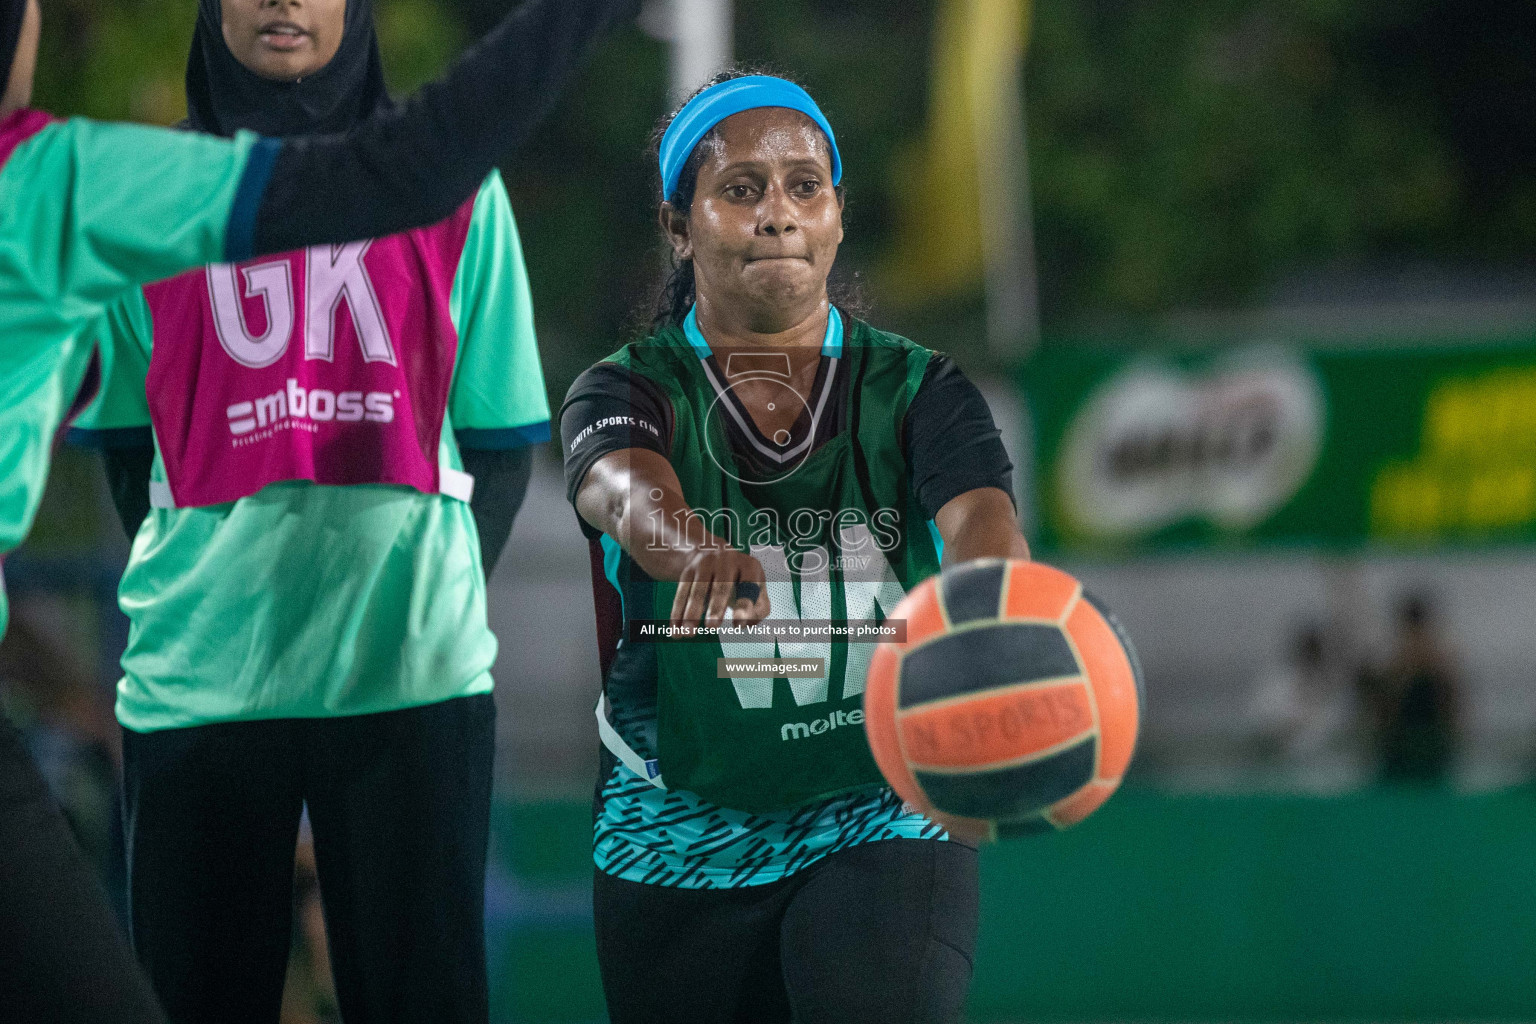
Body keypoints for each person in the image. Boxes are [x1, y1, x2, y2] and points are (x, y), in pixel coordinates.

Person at [0, 0, 636, 1019]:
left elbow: (502, 440)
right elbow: (130, 452)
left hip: (407, 676)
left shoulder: (457, 187)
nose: (285, 1)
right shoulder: (138, 192)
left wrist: (428, 599)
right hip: (200, 683)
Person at [559, 71, 1032, 1024]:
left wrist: (992, 605)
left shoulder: (918, 388)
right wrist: (688, 547)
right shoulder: (624, 387)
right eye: (741, 189)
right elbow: (620, 485)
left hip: (879, 801)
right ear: (679, 224)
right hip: (675, 829)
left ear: (838, 217)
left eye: (804, 186)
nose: (778, 213)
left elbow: (981, 516)